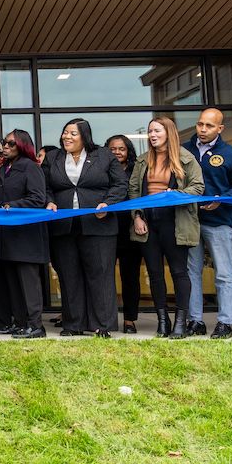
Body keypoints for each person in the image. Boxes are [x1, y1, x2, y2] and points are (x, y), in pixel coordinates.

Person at [44, 119, 128, 338]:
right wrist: (49, 201)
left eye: (72, 133)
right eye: (65, 133)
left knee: (100, 275)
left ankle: (103, 325)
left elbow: (120, 184)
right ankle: (73, 324)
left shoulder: (103, 155)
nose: (67, 137)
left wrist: (108, 203)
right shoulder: (53, 158)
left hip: (99, 225)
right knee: (69, 276)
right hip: (64, 227)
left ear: (85, 136)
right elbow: (44, 186)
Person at [127, 117, 204, 337]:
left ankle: (181, 322)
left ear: (168, 133)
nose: (152, 135)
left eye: (157, 131)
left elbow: (198, 187)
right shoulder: (142, 160)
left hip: (175, 221)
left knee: (180, 272)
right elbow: (133, 191)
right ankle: (163, 321)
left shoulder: (186, 158)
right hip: (148, 221)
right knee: (154, 273)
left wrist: (176, 195)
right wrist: (137, 217)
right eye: (150, 131)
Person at [182, 108, 232, 339]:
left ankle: (225, 322)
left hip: (219, 222)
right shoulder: (184, 150)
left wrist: (220, 200)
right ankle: (195, 320)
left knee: (224, 273)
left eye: (209, 126)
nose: (202, 129)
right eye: (200, 124)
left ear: (220, 128)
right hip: (190, 221)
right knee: (192, 272)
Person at [0, 129, 50, 338]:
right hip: (7, 234)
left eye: (11, 144)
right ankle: (20, 322)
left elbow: (37, 198)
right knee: (13, 281)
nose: (5, 147)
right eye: (4, 143)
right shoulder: (4, 169)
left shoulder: (30, 168)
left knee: (28, 281)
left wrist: (12, 205)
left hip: (27, 235)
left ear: (23, 145)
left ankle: (36, 326)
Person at [106, 134, 144, 333]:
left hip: (130, 231)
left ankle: (130, 319)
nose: (117, 152)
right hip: (106, 230)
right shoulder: (102, 170)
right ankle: (107, 318)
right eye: (113, 149)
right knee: (105, 277)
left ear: (128, 151)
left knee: (130, 277)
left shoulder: (136, 170)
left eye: (121, 148)